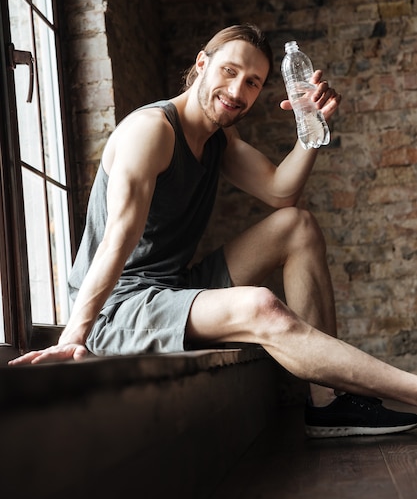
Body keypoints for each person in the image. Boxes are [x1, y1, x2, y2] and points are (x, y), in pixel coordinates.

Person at [9, 23, 417, 438]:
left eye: (253, 82)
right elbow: (118, 237)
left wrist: (310, 127)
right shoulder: (151, 131)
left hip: (170, 287)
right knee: (262, 307)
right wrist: (75, 332)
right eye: (229, 71)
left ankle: (328, 404)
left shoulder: (218, 137)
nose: (238, 91)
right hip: (117, 307)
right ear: (202, 64)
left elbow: (281, 193)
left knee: (298, 226)